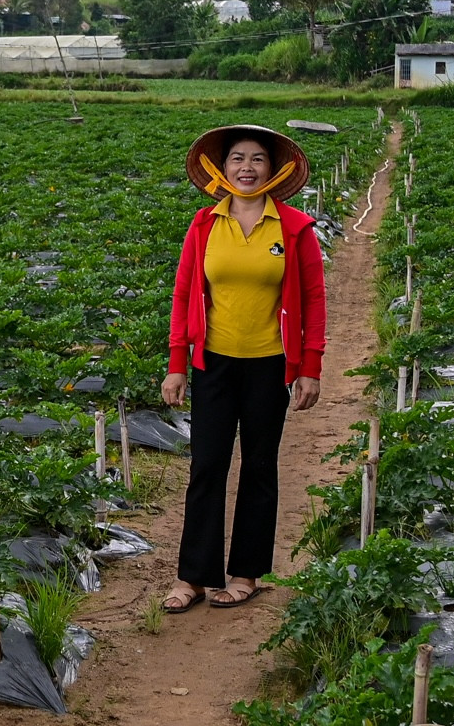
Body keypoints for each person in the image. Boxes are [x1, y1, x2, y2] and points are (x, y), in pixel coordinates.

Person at [161, 125, 326, 612]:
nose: (247, 168)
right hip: (213, 362)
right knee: (206, 466)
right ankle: (192, 577)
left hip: (270, 366)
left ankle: (245, 573)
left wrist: (310, 366)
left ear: (274, 171)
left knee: (258, 467)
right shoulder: (204, 225)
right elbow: (184, 293)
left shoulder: (294, 229)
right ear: (222, 168)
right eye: (237, 158)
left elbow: (314, 301)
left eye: (257, 159)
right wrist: (177, 365)